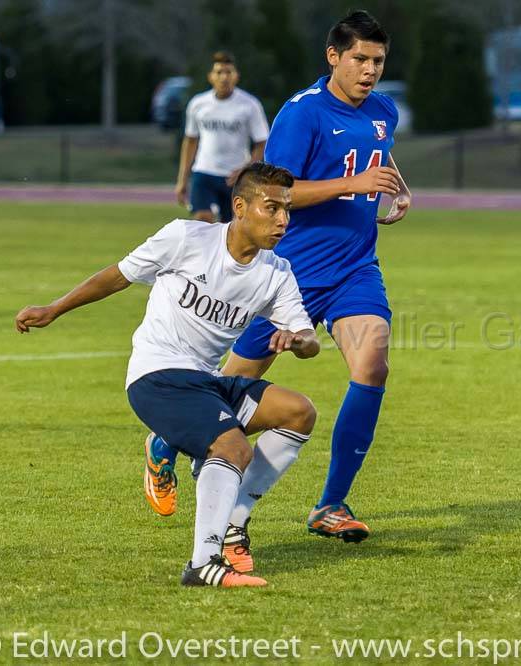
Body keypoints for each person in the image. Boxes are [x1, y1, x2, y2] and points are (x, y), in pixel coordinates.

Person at [144, 10, 411, 551]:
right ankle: (166, 441)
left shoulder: (384, 111)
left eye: (378, 61)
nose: (369, 70)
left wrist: (395, 187)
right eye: (359, 58)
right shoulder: (301, 113)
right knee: (227, 387)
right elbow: (277, 191)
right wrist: (352, 183)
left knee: (373, 364)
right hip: (288, 273)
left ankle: (331, 504)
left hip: (355, 267)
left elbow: (376, 161)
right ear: (333, 57)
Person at [16, 163, 321, 587]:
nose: (283, 220)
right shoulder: (186, 237)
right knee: (231, 447)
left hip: (207, 382)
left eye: (287, 210)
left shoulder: (277, 273)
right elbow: (118, 276)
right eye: (272, 208)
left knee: (298, 412)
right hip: (156, 374)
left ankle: (232, 520)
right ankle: (203, 564)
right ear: (240, 207)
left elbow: (309, 339)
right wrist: (54, 308)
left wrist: (299, 341)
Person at [175, 51, 270, 223]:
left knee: (231, 228)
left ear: (236, 76)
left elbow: (262, 142)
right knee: (202, 223)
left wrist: (248, 169)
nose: (224, 77)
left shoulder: (249, 105)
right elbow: (190, 141)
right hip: (204, 172)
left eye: (228, 72)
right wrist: (182, 180)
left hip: (234, 176)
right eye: (219, 72)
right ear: (211, 76)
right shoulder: (198, 104)